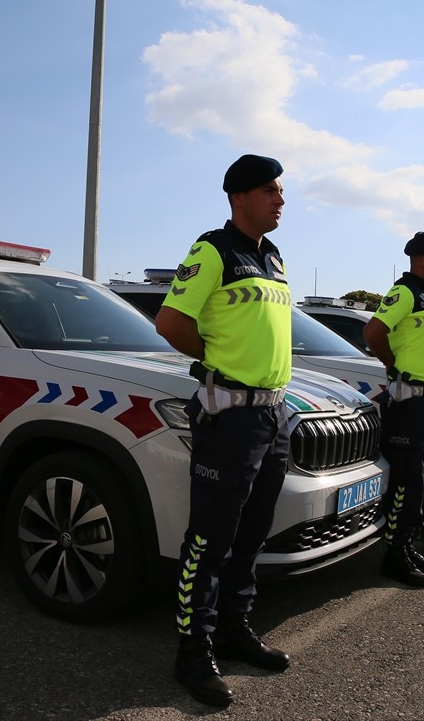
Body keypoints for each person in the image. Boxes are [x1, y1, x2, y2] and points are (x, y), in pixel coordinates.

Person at [156, 154, 292, 707]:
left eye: (281, 191)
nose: (281, 200)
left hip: (273, 415)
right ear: (240, 197)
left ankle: (235, 629)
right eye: (271, 191)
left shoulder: (274, 255)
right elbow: (170, 321)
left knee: (252, 534)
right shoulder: (213, 249)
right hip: (230, 415)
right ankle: (193, 652)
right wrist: (219, 363)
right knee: (209, 542)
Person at [364, 230, 424, 589]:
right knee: (409, 480)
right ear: (421, 259)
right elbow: (373, 332)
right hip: (413, 402)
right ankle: (394, 554)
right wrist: (394, 367)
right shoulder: (405, 292)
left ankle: (408, 542)